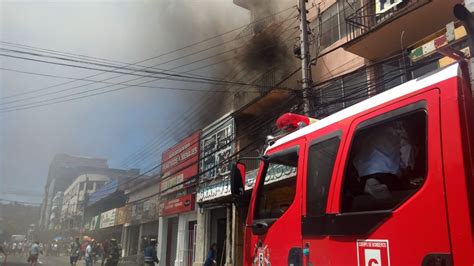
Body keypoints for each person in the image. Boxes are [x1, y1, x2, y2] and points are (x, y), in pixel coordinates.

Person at [352, 121, 415, 200]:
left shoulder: (365, 135)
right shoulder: (398, 132)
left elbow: (356, 159)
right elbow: (407, 151)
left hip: (366, 179)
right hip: (383, 178)